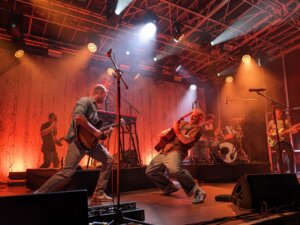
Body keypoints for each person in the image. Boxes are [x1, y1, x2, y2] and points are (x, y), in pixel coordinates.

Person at [35, 84, 113, 202]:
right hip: (77, 143)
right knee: (67, 172)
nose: (105, 98)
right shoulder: (85, 101)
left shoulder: (95, 108)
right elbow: (78, 117)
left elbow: (94, 131)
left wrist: (105, 132)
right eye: (105, 95)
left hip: (90, 144)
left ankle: (99, 193)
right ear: (101, 93)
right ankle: (38, 194)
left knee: (109, 159)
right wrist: (95, 131)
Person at [146, 109, 206, 204]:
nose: (192, 116)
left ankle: (198, 192)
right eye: (192, 114)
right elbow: (170, 132)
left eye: (195, 115)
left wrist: (177, 131)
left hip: (176, 151)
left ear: (200, 118)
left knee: (175, 170)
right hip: (165, 150)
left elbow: (186, 141)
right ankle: (169, 187)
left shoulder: (197, 129)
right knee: (150, 171)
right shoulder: (182, 123)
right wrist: (164, 135)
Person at [267, 108, 295, 173]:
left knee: (291, 158)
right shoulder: (271, 122)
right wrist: (271, 135)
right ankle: (282, 173)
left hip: (286, 141)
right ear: (274, 115)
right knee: (279, 159)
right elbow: (267, 131)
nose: (280, 114)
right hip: (277, 142)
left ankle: (292, 173)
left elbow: (291, 129)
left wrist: (294, 130)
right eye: (278, 113)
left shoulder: (286, 121)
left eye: (280, 113)